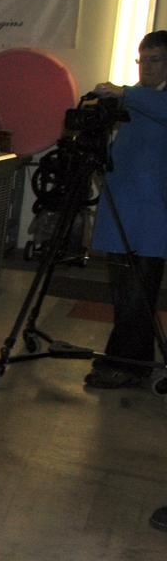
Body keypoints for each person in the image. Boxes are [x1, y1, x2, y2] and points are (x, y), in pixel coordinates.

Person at [83, 30, 167, 392]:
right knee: (124, 295)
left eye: (155, 60)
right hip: (123, 212)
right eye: (142, 60)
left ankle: (127, 365)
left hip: (150, 219)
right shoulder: (137, 100)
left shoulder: (145, 99)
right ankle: (129, 360)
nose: (146, 68)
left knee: (137, 295)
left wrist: (123, 92)